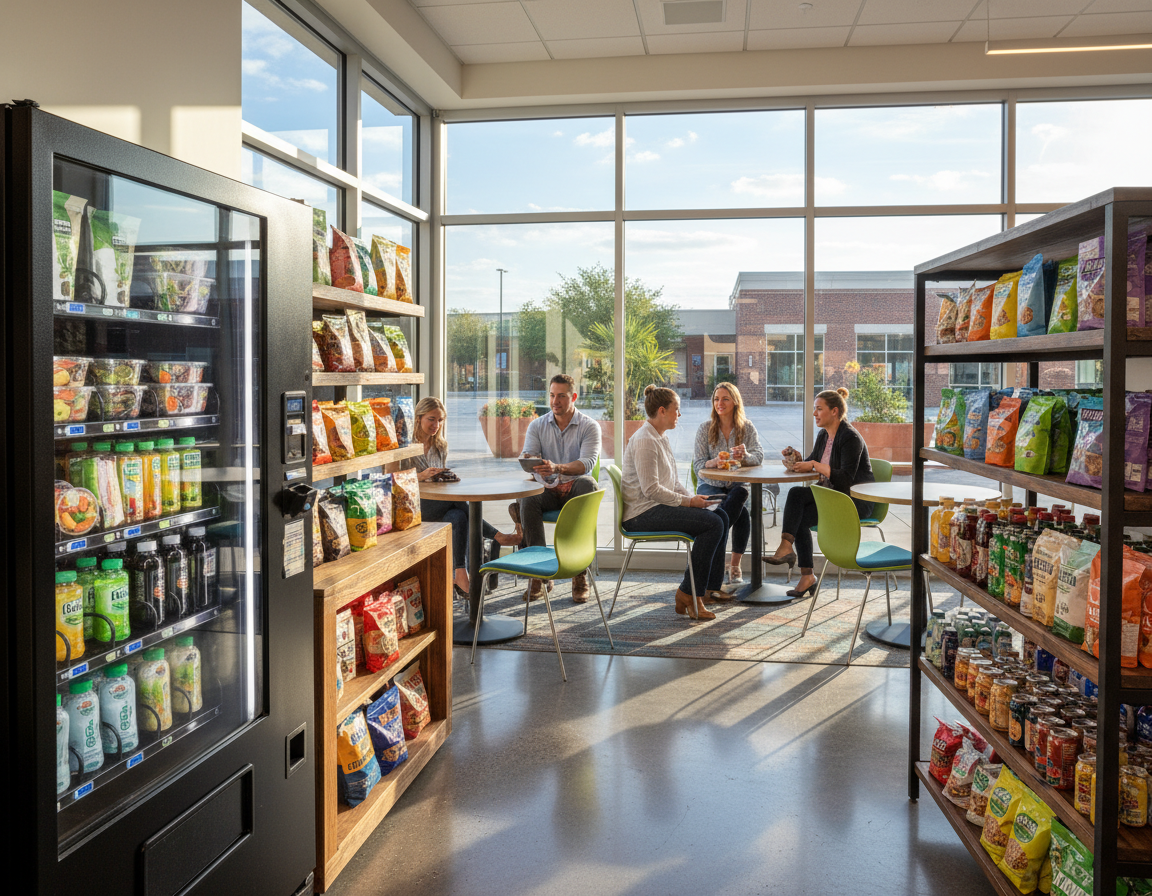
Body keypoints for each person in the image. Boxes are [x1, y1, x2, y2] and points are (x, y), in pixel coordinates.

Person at [621, 385, 745, 621]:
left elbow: (672, 481)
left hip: (656, 507)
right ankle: (689, 593)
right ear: (662, 411)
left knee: (721, 517)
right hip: (641, 514)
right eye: (676, 410)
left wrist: (695, 499)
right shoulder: (645, 440)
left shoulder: (660, 437)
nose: (679, 415)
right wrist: (688, 502)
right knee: (713, 524)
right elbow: (651, 490)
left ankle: (703, 590)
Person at [405, 397, 521, 599]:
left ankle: (460, 573)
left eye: (440, 420)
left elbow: (440, 484)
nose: (436, 425)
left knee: (459, 515)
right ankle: (497, 536)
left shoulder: (440, 446)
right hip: (415, 508)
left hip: (439, 505)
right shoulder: (406, 446)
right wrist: (421, 476)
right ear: (418, 418)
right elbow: (393, 483)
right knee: (458, 504)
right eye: (431, 419)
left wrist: (444, 477)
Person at [765, 387, 875, 598]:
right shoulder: (824, 435)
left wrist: (814, 464)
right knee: (798, 506)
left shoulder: (850, 437)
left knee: (798, 500)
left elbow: (845, 480)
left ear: (834, 411)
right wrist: (797, 459)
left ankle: (787, 551)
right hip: (833, 498)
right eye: (814, 409)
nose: (814, 413)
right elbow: (812, 463)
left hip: (854, 503)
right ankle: (805, 572)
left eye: (818, 409)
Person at [511, 374, 602, 602]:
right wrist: (531, 462)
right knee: (527, 497)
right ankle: (538, 575)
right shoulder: (537, 426)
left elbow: (586, 464)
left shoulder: (589, 426)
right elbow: (528, 457)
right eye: (552, 395)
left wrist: (557, 467)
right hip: (547, 490)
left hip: (575, 490)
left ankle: (579, 573)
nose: (555, 401)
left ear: (573, 397)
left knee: (588, 483)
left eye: (561, 396)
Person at [692, 382, 764, 591]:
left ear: (735, 402)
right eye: (716, 399)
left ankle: (726, 562)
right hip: (710, 485)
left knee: (741, 495)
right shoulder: (705, 428)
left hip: (737, 485)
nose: (719, 403)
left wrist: (746, 456)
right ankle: (730, 566)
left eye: (725, 399)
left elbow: (759, 457)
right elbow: (698, 465)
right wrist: (711, 462)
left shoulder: (746, 427)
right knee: (740, 510)